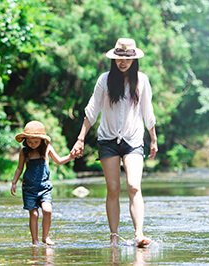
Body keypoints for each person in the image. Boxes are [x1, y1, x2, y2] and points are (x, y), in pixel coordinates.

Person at [71, 38, 158, 248]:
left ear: (134, 59)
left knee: (133, 186)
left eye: (127, 58)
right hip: (108, 140)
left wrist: (153, 138)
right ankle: (114, 237)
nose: (123, 62)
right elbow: (92, 110)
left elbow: (148, 111)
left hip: (134, 139)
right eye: (119, 58)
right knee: (113, 188)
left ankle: (139, 234)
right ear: (114, 59)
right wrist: (80, 138)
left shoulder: (142, 80)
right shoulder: (105, 80)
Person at [11, 120, 75, 246]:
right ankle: (34, 240)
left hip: (44, 187)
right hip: (29, 188)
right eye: (29, 141)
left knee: (47, 210)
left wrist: (71, 156)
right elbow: (19, 168)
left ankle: (45, 237)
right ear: (25, 140)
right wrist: (14, 182)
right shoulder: (24, 152)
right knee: (33, 214)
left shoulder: (47, 149)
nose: (32, 144)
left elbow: (59, 160)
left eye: (35, 141)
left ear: (41, 140)